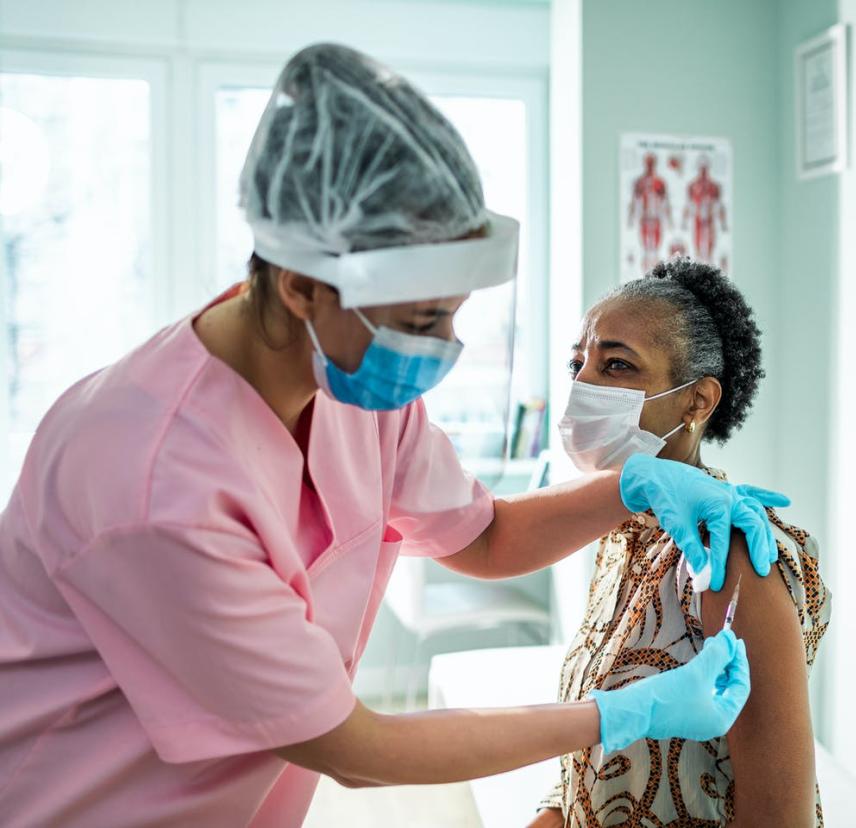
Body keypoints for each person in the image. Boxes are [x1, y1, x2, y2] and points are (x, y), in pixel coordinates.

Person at [0, 44, 787, 827]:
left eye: (453, 312)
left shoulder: (352, 383)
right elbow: (357, 750)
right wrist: (618, 715)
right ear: (303, 283)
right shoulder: (151, 479)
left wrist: (629, 486)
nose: (444, 345)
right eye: (421, 320)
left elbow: (483, 538)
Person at [531, 258, 829, 827]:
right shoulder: (622, 533)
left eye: (617, 365)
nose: (582, 386)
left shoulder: (731, 553)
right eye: (578, 363)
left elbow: (779, 818)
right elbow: (585, 764)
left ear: (696, 403)